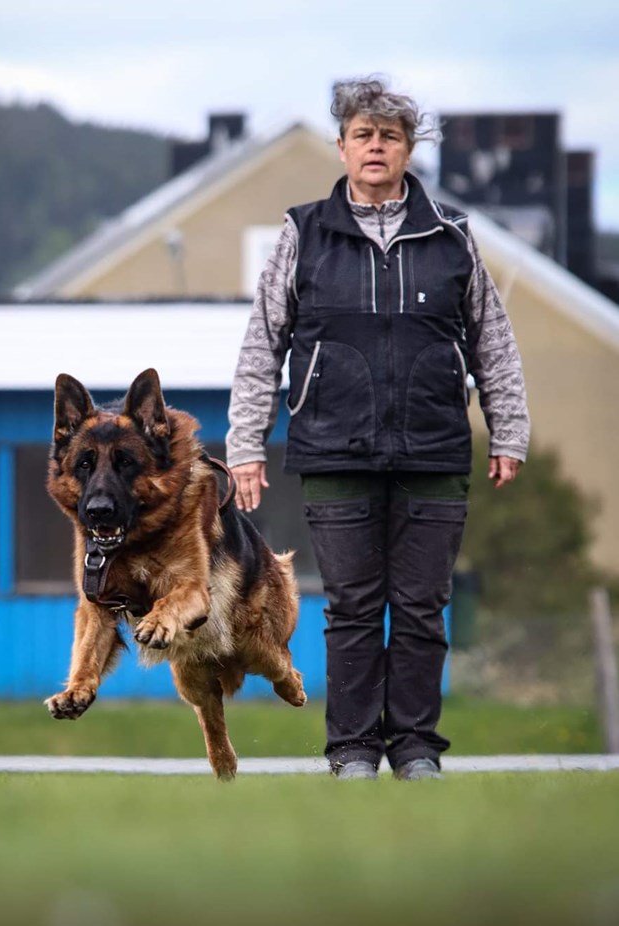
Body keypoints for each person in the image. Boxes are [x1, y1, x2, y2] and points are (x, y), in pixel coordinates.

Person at [225, 76, 530, 781]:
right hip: (334, 452)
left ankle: (417, 747)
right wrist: (245, 446)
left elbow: (494, 342)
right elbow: (262, 345)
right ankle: (354, 751)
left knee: (422, 608)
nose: (375, 147)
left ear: (408, 149)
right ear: (341, 147)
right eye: (363, 134)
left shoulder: (452, 234)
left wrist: (509, 431)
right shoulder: (303, 233)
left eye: (389, 136)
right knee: (355, 608)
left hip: (433, 453)